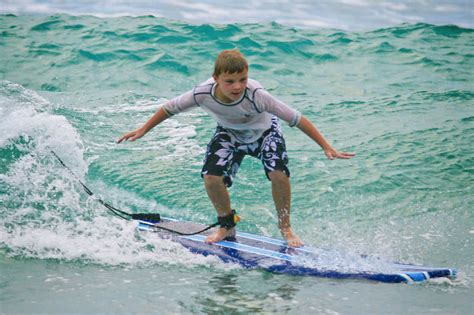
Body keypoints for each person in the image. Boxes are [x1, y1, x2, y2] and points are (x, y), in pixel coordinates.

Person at [117, 49, 355, 247]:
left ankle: (285, 227)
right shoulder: (202, 93)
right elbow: (169, 109)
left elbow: (297, 118)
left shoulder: (258, 95)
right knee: (211, 177)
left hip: (265, 132)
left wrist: (326, 146)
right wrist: (143, 130)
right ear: (216, 78)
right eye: (230, 81)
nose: (237, 86)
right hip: (229, 133)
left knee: (278, 174)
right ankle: (226, 227)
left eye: (242, 79)